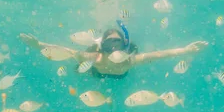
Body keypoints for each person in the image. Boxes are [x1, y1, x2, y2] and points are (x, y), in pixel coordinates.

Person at [19, 24, 207, 79]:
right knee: (80, 66)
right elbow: (67, 51)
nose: (114, 47)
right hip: (97, 72)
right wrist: (38, 44)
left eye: (117, 43)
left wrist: (185, 50)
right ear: (102, 45)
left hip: (120, 75)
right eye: (109, 44)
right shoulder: (95, 56)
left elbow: (158, 55)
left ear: (124, 45)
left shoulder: (129, 60)